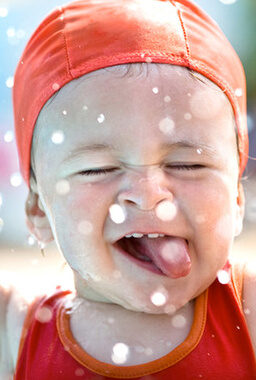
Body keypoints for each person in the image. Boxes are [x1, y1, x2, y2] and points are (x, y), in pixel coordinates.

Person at [1, 0, 255, 378]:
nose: (149, 192)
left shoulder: (248, 310)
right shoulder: (13, 328)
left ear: (236, 196)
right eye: (97, 169)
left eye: (187, 164)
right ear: (39, 210)